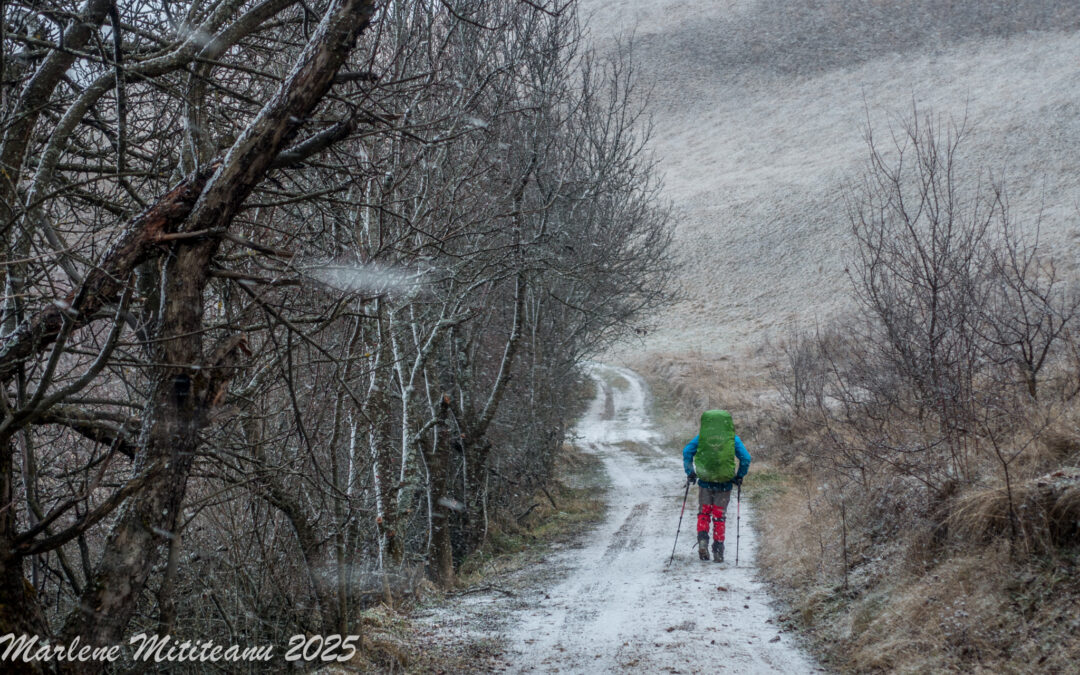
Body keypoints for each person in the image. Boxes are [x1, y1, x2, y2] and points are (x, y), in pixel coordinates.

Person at [683, 430, 751, 562]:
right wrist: (740, 475)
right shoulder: (732, 438)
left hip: (705, 482)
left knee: (704, 513)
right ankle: (718, 550)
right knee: (719, 516)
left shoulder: (702, 437)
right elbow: (746, 458)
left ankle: (703, 541)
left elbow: (687, 452)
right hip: (724, 484)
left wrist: (690, 472)